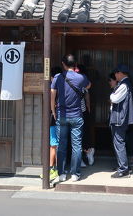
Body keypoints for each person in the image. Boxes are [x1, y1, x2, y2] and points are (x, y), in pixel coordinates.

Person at [50, 54, 90, 185]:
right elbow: (89, 85)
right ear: (75, 64)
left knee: (61, 145)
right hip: (77, 115)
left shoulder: (57, 77)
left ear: (63, 63)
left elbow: (52, 95)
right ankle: (75, 174)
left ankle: (61, 173)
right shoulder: (81, 78)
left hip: (62, 115)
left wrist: (53, 111)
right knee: (77, 146)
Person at [109, 64, 133, 178]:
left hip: (120, 119)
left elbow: (114, 99)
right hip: (120, 118)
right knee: (119, 143)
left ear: (121, 73)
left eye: (116, 73)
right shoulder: (124, 84)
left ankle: (123, 169)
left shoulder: (124, 85)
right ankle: (123, 166)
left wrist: (111, 95)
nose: (115, 75)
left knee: (119, 143)